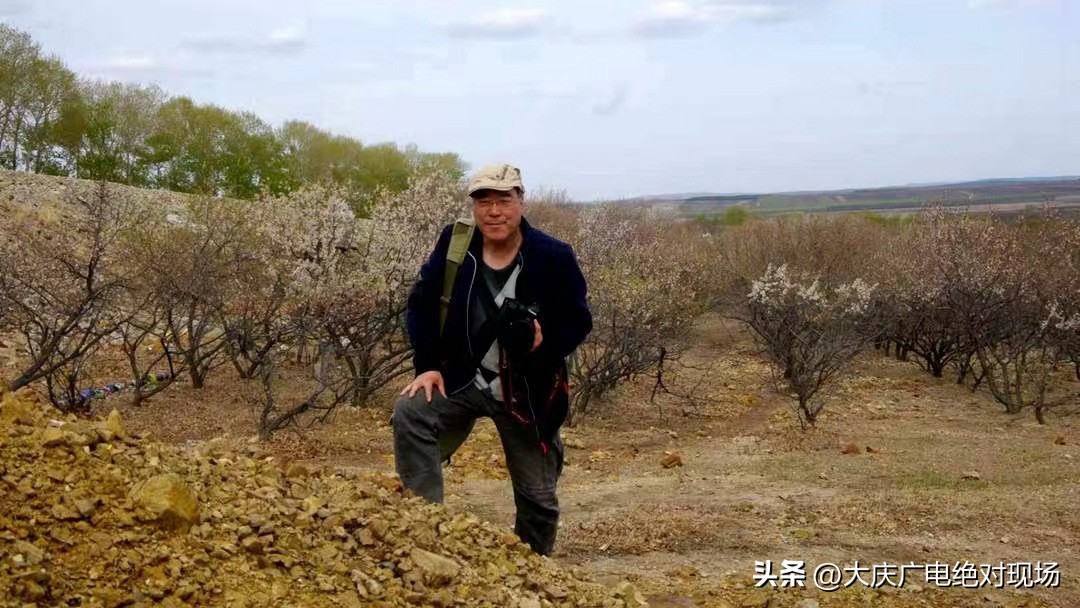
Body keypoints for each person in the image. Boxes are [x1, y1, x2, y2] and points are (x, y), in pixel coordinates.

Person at [391, 162, 592, 556]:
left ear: (521, 201)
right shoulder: (456, 243)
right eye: (484, 201)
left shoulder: (552, 255)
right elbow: (422, 303)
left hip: (527, 393)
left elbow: (578, 321)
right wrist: (428, 366)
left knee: (537, 498)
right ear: (473, 206)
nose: (494, 211)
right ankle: (424, 531)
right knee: (411, 412)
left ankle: (531, 571)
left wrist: (542, 344)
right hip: (462, 377)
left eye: (504, 200)